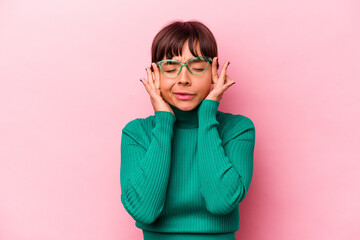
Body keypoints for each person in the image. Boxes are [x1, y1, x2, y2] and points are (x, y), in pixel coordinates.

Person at [120, 20, 256, 240]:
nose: (184, 79)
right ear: (154, 73)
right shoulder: (136, 134)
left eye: (197, 67)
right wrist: (163, 122)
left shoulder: (238, 130)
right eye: (171, 68)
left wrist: (207, 115)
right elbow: (144, 210)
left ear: (214, 71)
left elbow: (221, 202)